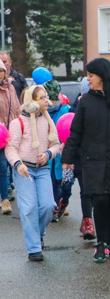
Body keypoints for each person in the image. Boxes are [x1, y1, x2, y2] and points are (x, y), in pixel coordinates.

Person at [61, 58, 110, 262]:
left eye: (91, 75)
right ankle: (100, 244)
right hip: (92, 159)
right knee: (100, 200)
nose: (88, 79)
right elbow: (76, 131)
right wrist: (68, 157)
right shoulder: (86, 101)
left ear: (102, 76)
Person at [5, 85, 62, 261]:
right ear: (31, 101)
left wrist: (48, 154)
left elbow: (57, 145)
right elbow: (10, 148)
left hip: (43, 169)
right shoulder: (18, 123)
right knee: (29, 208)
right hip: (24, 170)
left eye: (46, 97)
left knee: (47, 206)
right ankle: (34, 248)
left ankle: (38, 233)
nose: (46, 100)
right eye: (41, 97)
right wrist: (18, 164)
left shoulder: (47, 120)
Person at [69, 78, 95, 240]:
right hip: (81, 157)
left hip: (98, 156)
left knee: (95, 192)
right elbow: (70, 134)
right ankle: (88, 222)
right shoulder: (74, 109)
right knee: (86, 191)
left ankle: (90, 220)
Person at [43, 80, 72, 221]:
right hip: (50, 154)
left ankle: (64, 202)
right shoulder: (42, 112)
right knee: (53, 183)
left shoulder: (66, 111)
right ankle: (54, 208)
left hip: (65, 155)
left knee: (66, 185)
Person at [0, 60, 21, 215]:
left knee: (9, 166)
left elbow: (17, 108)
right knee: (2, 166)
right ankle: (5, 199)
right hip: (0, 134)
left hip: (10, 133)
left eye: (1, 70)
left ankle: (8, 197)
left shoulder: (11, 88)